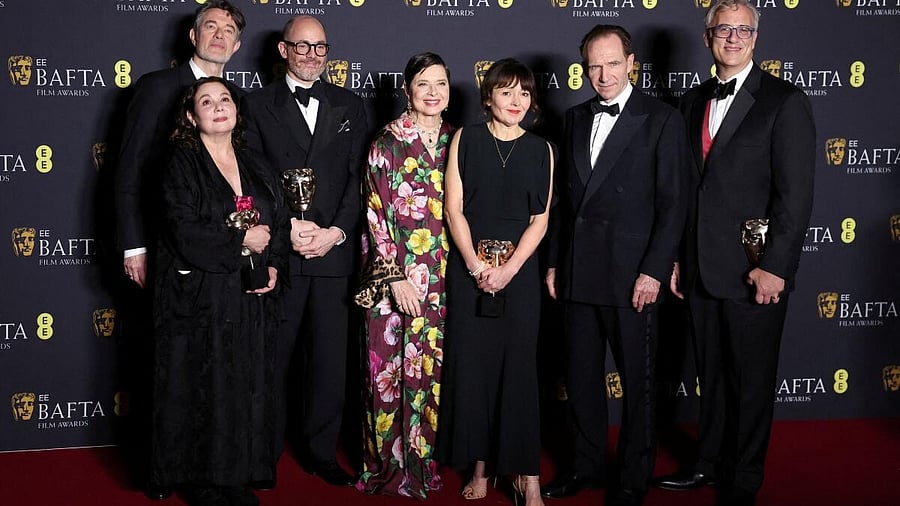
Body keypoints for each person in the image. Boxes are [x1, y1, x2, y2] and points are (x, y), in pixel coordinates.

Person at [654, 2, 816, 505]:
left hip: (754, 270)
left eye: (743, 29)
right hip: (701, 267)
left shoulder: (783, 101)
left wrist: (775, 267)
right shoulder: (690, 100)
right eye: (723, 29)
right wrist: (678, 258)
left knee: (750, 380)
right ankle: (706, 464)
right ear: (707, 39)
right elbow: (684, 189)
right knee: (711, 376)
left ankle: (743, 478)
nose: (733, 37)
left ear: (755, 38)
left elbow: (795, 196)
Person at [542, 24, 688, 506]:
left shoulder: (663, 118)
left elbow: (674, 204)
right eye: (592, 65)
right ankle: (584, 467)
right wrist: (554, 263)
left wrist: (653, 269)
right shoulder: (574, 116)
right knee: (581, 380)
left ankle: (630, 478)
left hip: (632, 277)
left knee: (639, 387)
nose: (602, 74)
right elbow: (563, 200)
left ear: (631, 64)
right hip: (579, 269)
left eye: (611, 63)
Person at [113, 4, 245, 500]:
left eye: (228, 29)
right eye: (210, 25)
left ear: (237, 46)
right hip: (166, 256)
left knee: (210, 369)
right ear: (193, 35)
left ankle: (209, 466)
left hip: (219, 262)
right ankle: (162, 472)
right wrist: (134, 246)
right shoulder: (154, 87)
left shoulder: (235, 100)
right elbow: (127, 174)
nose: (219, 34)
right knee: (167, 368)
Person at [242, 15, 368, 487]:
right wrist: (286, 227)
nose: (312, 55)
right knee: (272, 362)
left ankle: (320, 452)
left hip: (333, 258)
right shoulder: (254, 105)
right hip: (282, 256)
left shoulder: (351, 106)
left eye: (320, 47)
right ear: (283, 50)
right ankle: (264, 456)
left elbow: (361, 180)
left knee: (330, 364)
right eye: (302, 47)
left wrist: (335, 232)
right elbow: (250, 178)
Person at [151, 76, 288, 506]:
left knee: (249, 378)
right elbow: (182, 229)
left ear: (237, 110)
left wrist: (273, 267)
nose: (217, 106)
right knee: (205, 383)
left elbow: (277, 220)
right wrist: (241, 243)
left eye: (225, 98)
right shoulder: (180, 162)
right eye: (205, 101)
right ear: (191, 117)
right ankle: (209, 479)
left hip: (249, 293)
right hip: (200, 295)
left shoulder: (257, 162)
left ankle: (251, 464)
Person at [439, 58, 555, 506]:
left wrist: (508, 270)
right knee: (476, 371)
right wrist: (476, 267)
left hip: (519, 276)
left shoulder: (541, 149)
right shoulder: (465, 140)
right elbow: (455, 209)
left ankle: (528, 477)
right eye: (506, 92)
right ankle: (481, 465)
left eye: (524, 93)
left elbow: (540, 220)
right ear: (488, 97)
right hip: (470, 273)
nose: (516, 101)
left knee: (519, 373)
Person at [355, 52, 454, 499]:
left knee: (429, 375)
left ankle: (423, 464)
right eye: (423, 84)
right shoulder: (387, 143)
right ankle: (388, 468)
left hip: (444, 278)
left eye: (440, 84)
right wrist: (394, 277)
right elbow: (375, 215)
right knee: (388, 375)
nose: (433, 93)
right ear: (407, 90)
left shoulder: (460, 140)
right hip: (393, 281)